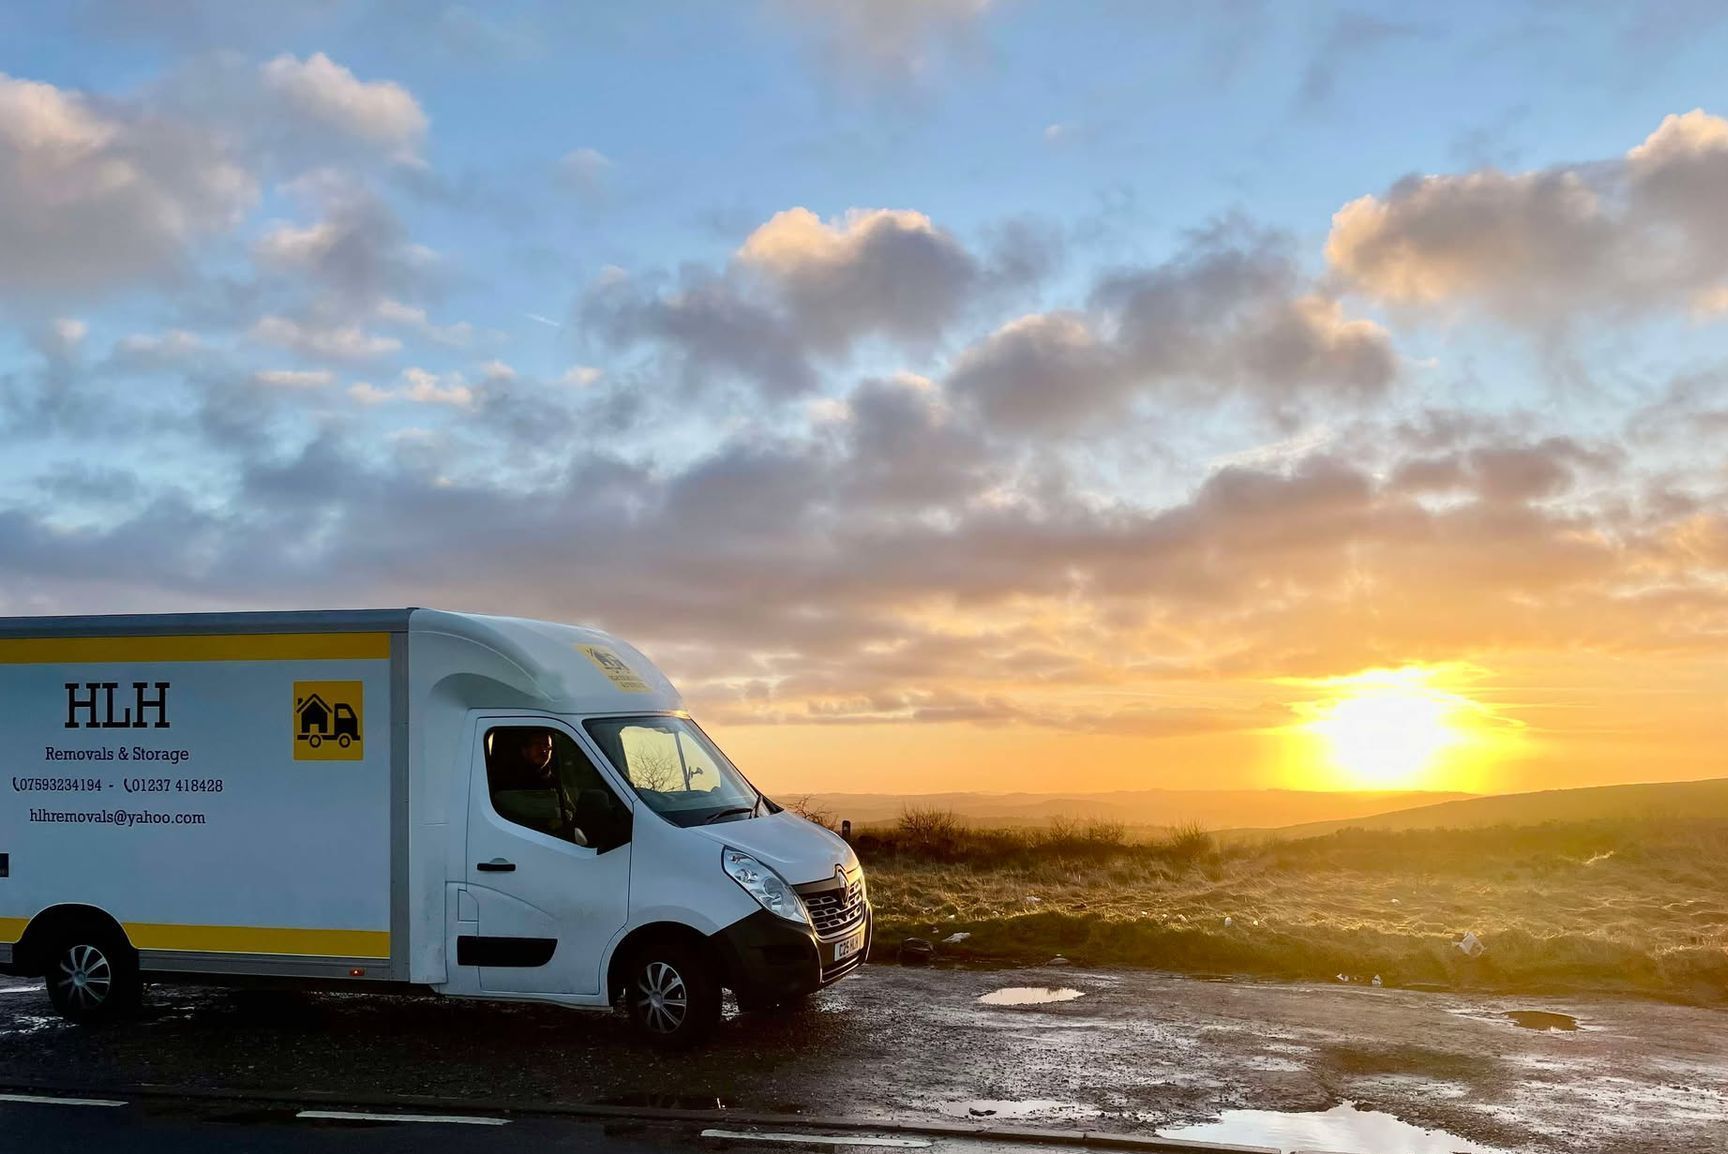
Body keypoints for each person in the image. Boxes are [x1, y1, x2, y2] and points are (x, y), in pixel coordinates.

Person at [489, 728, 581, 842]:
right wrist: (552, 815)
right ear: (524, 749)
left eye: (548, 747)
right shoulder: (507, 780)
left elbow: (570, 811)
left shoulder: (555, 782)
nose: (543, 751)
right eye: (537, 745)